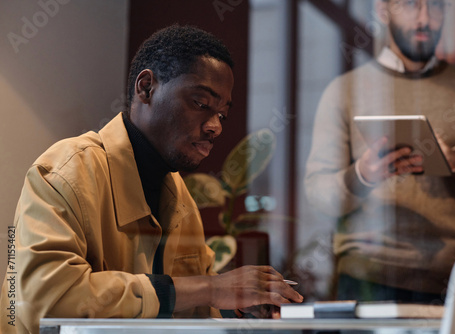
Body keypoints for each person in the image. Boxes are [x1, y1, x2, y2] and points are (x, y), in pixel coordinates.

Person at [0, 25, 303, 334]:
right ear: (146, 88)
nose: (216, 127)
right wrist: (209, 289)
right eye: (201, 103)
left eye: (222, 114)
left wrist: (238, 303)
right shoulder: (67, 171)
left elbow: (191, 307)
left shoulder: (180, 197)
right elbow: (45, 301)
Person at [305, 0, 455, 303]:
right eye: (410, 4)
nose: (425, 19)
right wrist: (362, 175)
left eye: (435, 6)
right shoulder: (344, 92)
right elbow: (318, 194)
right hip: (367, 275)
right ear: (382, 10)